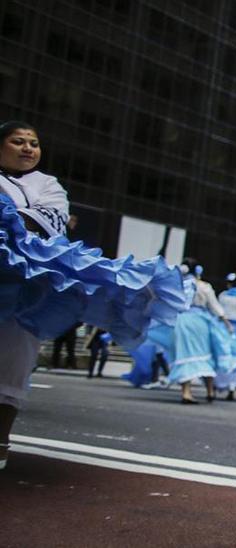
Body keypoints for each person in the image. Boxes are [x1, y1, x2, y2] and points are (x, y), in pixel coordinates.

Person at [0, 120, 183, 470]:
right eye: (17, 141)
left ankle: (0, 441)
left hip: (30, 282)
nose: (27, 148)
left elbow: (49, 221)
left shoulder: (47, 185)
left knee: (14, 357)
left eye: (33, 143)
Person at [167, 258, 236, 405]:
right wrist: (226, 323)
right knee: (206, 353)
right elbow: (214, 306)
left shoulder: (179, 285)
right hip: (200, 321)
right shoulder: (204, 286)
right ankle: (209, 390)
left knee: (185, 353)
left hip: (181, 321)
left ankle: (186, 392)